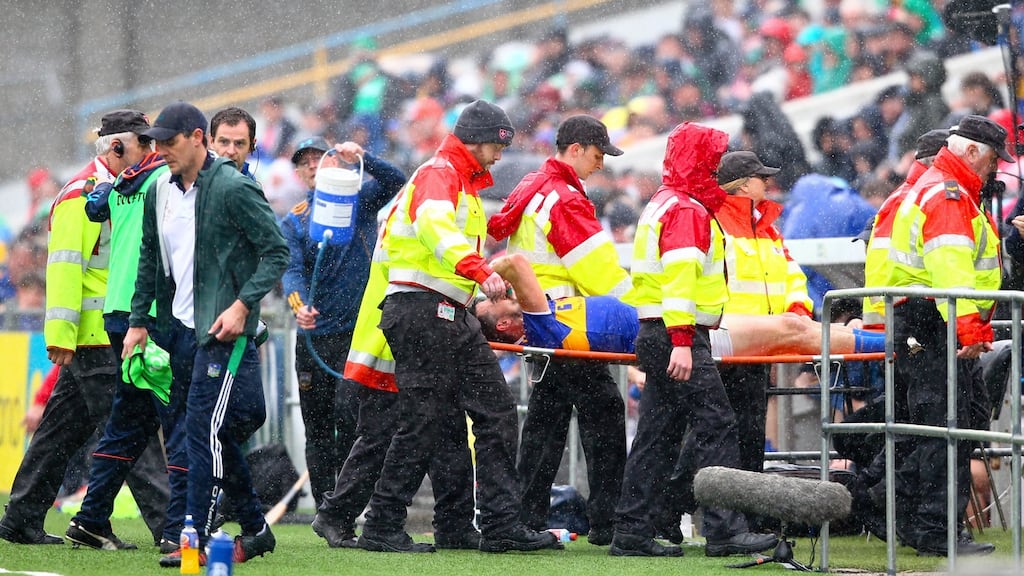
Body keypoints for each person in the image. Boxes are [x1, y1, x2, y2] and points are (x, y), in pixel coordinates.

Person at [356, 99, 558, 553]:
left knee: (484, 414)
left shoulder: (456, 178)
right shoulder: (440, 173)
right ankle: (384, 525)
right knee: (429, 420)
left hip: (445, 312)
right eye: (498, 144)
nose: (501, 155)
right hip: (425, 309)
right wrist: (477, 268)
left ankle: (483, 525)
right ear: (480, 139)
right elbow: (434, 226)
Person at [123, 101, 289, 567]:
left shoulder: (235, 187)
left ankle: (193, 533)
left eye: (169, 142)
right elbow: (150, 257)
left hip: (224, 331)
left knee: (205, 429)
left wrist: (241, 306)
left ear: (197, 139)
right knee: (206, 431)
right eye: (155, 142)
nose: (160, 150)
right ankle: (255, 529)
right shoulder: (160, 187)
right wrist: (139, 321)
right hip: (180, 329)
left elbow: (277, 253)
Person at [0, 110, 169, 547]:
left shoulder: (117, 190)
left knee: (60, 432)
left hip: (100, 333)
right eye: (143, 144)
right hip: (94, 336)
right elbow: (63, 268)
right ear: (115, 148)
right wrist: (59, 335)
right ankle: (172, 530)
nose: (151, 151)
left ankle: (24, 517)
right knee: (132, 431)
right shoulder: (81, 194)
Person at [610, 122, 778, 557]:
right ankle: (724, 531)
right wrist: (683, 340)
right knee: (717, 425)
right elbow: (681, 279)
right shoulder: (686, 209)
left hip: (656, 331)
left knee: (656, 435)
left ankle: (631, 529)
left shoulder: (664, 201)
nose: (716, 166)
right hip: (677, 334)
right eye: (711, 158)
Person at [488, 114, 629, 546]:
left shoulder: (535, 188)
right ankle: (608, 520)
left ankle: (525, 517)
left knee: (547, 423)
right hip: (565, 325)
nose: (601, 163)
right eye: (599, 153)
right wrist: (641, 311)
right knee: (603, 414)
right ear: (576, 149)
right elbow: (599, 273)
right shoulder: (563, 197)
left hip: (544, 323)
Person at [311, 217, 478, 551]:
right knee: (383, 436)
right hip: (395, 343)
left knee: (428, 432)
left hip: (396, 337)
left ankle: (453, 522)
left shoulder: (407, 212)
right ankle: (338, 513)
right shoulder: (424, 212)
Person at [883, 114, 1008, 556]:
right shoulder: (949, 195)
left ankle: (920, 521)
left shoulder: (942, 188)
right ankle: (934, 528)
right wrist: (970, 328)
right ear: (971, 151)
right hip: (938, 323)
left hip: (930, 323)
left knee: (947, 423)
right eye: (992, 158)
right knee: (946, 425)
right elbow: (951, 273)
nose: (995, 168)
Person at [67, 142, 184, 553]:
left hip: (119, 312)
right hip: (150, 313)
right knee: (176, 417)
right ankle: (178, 530)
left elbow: (94, 210)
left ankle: (90, 518)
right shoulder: (162, 177)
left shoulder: (119, 181)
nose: (160, 150)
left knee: (127, 422)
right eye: (153, 143)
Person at [280, 136, 405, 510]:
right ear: (300, 174)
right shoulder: (295, 219)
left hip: (359, 334)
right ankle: (324, 504)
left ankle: (353, 503)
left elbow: (397, 182)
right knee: (317, 425)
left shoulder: (359, 202)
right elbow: (291, 271)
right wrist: (299, 307)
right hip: (316, 337)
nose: (315, 166)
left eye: (322, 158)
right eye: (307, 162)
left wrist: (365, 157)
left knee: (354, 420)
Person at [476, 253, 883, 358]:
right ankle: (887, 348)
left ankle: (877, 338)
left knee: (790, 329)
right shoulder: (540, 326)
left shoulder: (541, 312)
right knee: (792, 333)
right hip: (678, 336)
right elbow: (514, 264)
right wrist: (484, 275)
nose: (495, 295)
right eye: (492, 303)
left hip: (678, 325)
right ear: (508, 325)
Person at [209, 106, 258, 178]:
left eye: (239, 143)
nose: (231, 151)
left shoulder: (252, 187)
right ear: (211, 142)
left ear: (252, 146)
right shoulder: (194, 183)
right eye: (224, 142)